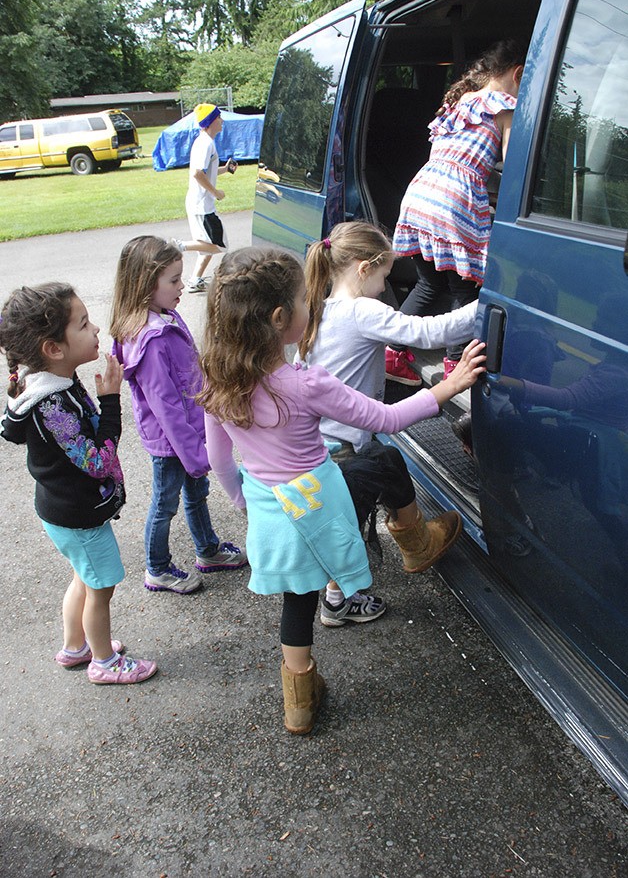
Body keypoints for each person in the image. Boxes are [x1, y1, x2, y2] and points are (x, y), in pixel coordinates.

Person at [197, 246, 485, 735]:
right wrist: (447, 387)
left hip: (272, 511)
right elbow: (387, 418)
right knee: (380, 455)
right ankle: (415, 544)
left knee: (298, 600)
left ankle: (300, 703)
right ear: (281, 318)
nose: (314, 308)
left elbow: (218, 459)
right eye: (306, 302)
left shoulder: (218, 379)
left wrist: (247, 504)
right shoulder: (305, 384)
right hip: (318, 504)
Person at [298, 219, 478, 578]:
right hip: (344, 447)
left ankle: (416, 545)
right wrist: (488, 303)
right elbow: (428, 332)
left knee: (387, 463)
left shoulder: (320, 307)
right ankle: (339, 601)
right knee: (348, 524)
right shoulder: (362, 310)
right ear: (364, 269)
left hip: (320, 442)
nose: (383, 289)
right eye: (383, 278)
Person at [0, 283, 157, 685]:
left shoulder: (45, 383)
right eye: (84, 324)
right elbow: (98, 462)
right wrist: (110, 400)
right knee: (101, 586)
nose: (97, 329)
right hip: (78, 516)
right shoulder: (51, 405)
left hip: (61, 511)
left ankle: (76, 647)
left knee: (82, 578)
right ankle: (104, 662)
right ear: (53, 348)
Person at [110, 235, 247, 595]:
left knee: (196, 493)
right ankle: (157, 568)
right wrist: (194, 454)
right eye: (173, 280)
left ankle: (208, 549)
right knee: (164, 504)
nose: (181, 285)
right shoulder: (151, 338)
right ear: (144, 283)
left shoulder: (165, 317)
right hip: (172, 444)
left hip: (190, 432)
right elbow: (165, 406)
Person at [388, 39, 525, 382]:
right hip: (454, 201)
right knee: (465, 291)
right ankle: (454, 367)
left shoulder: (460, 101)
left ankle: (392, 353)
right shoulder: (504, 106)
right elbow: (512, 166)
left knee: (430, 284)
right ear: (518, 74)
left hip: (421, 194)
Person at [173, 103, 237, 293]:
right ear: (211, 121)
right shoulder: (205, 143)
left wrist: (225, 169)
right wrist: (215, 192)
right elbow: (197, 173)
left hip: (201, 203)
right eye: (219, 117)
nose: (222, 121)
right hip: (202, 205)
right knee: (219, 245)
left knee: (207, 244)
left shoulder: (206, 141)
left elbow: (206, 171)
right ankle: (178, 246)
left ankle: (195, 279)